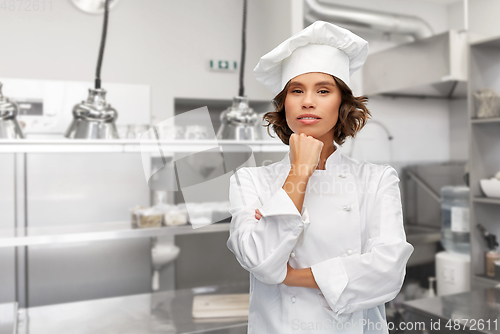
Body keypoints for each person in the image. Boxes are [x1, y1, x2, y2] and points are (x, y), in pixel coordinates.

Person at [226, 21, 414, 334]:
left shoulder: (377, 179)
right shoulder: (250, 181)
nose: (308, 101)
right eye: (296, 91)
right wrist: (299, 171)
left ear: (342, 102)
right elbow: (260, 259)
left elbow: (389, 270)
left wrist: (289, 275)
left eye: (323, 91)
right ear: (283, 104)